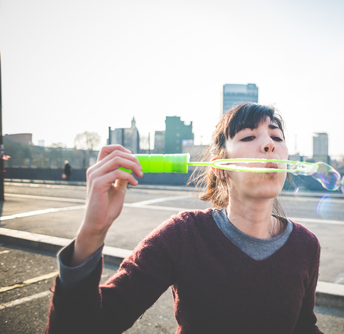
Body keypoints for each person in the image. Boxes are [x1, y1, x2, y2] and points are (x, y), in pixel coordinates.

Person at [46, 103, 323, 334]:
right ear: (220, 168)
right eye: (249, 137)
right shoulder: (183, 235)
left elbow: (303, 327)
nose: (268, 145)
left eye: (276, 137)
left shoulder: (306, 245)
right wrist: (93, 231)